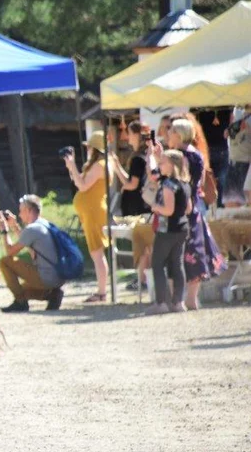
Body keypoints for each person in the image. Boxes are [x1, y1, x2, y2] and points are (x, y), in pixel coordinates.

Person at [166, 118, 223, 309]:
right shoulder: (196, 154)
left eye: (170, 131)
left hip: (180, 208)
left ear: (178, 134)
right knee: (196, 251)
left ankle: (178, 298)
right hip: (195, 208)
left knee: (177, 252)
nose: (167, 134)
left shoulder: (177, 156)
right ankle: (191, 298)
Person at [0, 194, 64, 312]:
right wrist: (15, 226)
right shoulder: (44, 224)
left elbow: (10, 252)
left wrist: (5, 231)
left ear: (29, 211)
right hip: (58, 277)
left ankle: (20, 302)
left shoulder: (31, 229)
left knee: (5, 262)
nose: (19, 214)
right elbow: (31, 248)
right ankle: (53, 295)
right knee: (23, 290)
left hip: (46, 277)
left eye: (21, 210)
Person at [143, 149, 193, 315]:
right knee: (177, 265)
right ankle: (178, 302)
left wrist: (156, 206)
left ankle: (161, 302)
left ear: (172, 165)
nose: (160, 165)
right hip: (182, 228)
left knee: (157, 264)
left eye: (163, 162)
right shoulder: (185, 184)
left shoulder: (168, 185)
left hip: (167, 230)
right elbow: (188, 208)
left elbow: (168, 210)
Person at [109, 122, 155, 291]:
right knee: (146, 246)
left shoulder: (137, 158)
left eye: (129, 133)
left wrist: (117, 167)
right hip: (143, 206)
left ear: (137, 135)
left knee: (141, 245)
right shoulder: (143, 156)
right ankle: (145, 278)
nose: (127, 137)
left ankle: (142, 279)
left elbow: (132, 184)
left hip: (138, 207)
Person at [65, 130, 110, 303]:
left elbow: (82, 186)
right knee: (96, 253)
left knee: (97, 253)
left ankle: (101, 292)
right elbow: (77, 181)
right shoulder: (96, 164)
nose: (88, 149)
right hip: (90, 210)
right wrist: (72, 167)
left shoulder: (100, 164)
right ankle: (101, 291)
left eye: (90, 147)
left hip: (94, 211)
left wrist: (74, 167)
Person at [196, 108, 231, 200]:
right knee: (211, 180)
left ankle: (217, 204)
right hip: (210, 149)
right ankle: (214, 204)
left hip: (217, 148)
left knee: (219, 180)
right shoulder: (226, 105)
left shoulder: (200, 106)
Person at [225, 105, 251, 206]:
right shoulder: (238, 109)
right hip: (233, 162)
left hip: (246, 164)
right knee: (230, 204)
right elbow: (227, 133)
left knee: (247, 206)